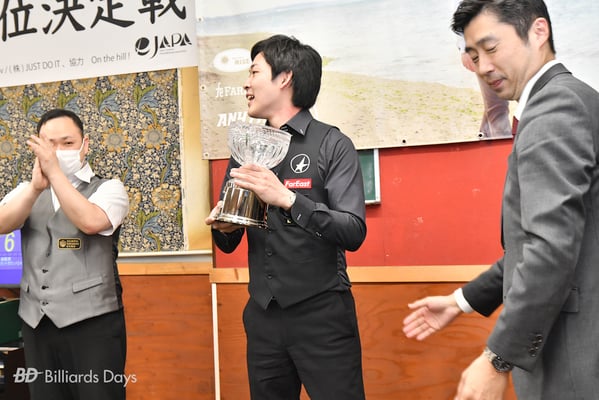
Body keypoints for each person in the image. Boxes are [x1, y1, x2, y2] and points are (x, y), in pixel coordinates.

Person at [402, 1, 599, 399]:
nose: (483, 67)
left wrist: (497, 358)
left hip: (572, 356)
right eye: (473, 56)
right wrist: (460, 301)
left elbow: (550, 249)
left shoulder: (555, 109)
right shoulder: (576, 97)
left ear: (538, 32)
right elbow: (544, 243)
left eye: (491, 48)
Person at [205, 34, 367, 399]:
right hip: (262, 316)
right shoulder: (246, 149)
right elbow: (229, 241)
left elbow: (353, 230)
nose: (246, 84)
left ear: (285, 78)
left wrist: (288, 199)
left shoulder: (332, 144)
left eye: (254, 72)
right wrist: (224, 226)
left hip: (322, 315)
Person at [0, 108, 130, 400]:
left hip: (93, 322)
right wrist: (35, 189)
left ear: (85, 145)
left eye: (67, 143)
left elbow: (91, 221)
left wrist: (55, 173)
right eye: (49, 145)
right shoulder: (27, 191)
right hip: (36, 322)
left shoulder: (109, 188)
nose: (57, 152)